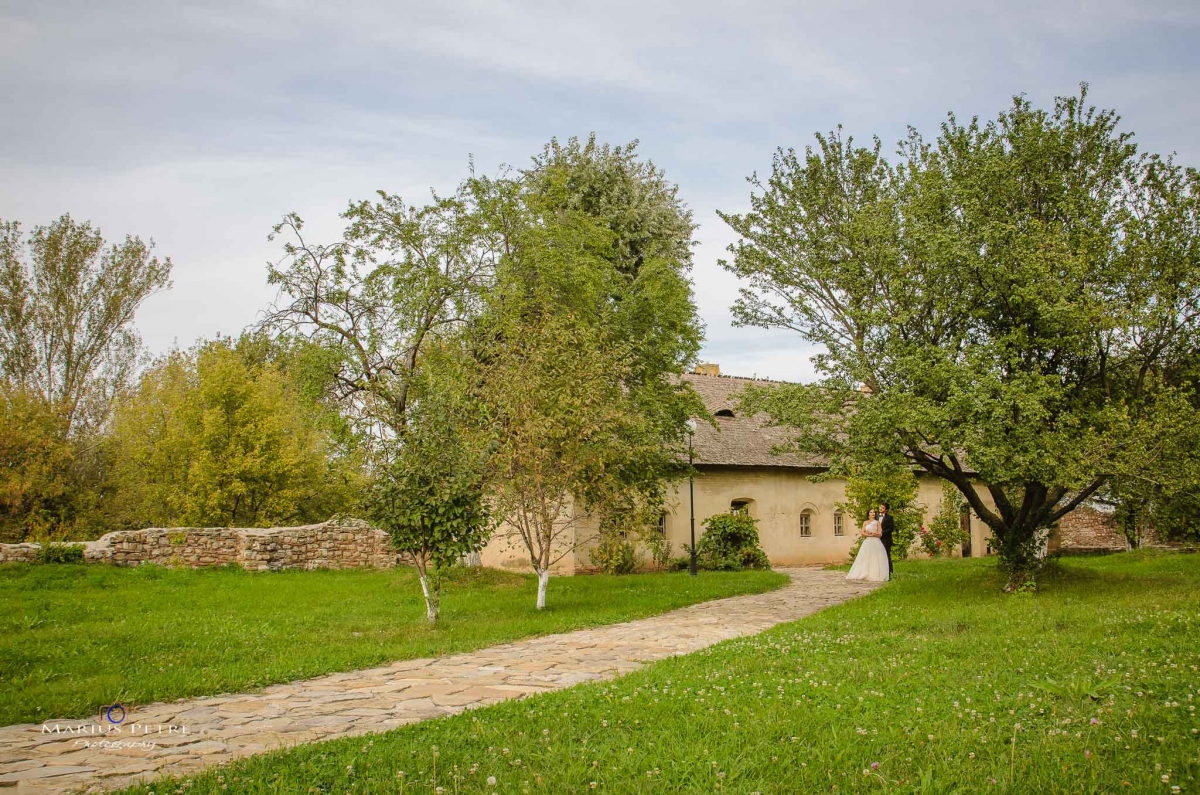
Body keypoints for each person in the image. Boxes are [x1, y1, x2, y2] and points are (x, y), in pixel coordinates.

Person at [846, 508, 890, 582]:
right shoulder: (865, 522)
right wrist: (869, 535)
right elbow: (862, 532)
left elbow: (880, 533)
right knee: (865, 556)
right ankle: (864, 572)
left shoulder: (877, 522)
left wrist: (875, 534)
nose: (872, 513)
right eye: (871, 512)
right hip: (868, 541)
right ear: (868, 514)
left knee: (875, 557)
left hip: (876, 542)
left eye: (873, 512)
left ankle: (875, 574)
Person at [879, 502, 895, 576]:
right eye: (880, 507)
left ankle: (890, 573)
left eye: (883, 508)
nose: (880, 509)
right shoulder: (876, 517)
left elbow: (891, 528)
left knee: (887, 556)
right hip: (877, 540)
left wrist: (882, 533)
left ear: (886, 510)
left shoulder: (889, 517)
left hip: (886, 540)